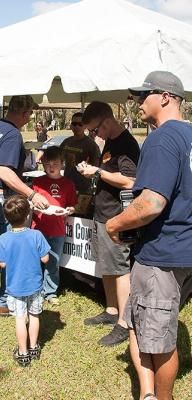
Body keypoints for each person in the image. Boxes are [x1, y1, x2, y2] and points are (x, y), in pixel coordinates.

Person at [106, 71, 192, 400]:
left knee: (158, 339)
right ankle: (147, 393)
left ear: (166, 97)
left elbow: (152, 202)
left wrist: (115, 225)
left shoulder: (161, 137)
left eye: (144, 96)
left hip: (161, 253)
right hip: (184, 249)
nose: (138, 102)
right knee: (137, 321)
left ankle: (161, 397)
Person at [0, 95, 49, 316]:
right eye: (30, 114)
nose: (29, 119)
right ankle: (5, 302)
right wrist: (31, 194)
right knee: (11, 247)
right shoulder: (12, 134)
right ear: (24, 113)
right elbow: (5, 172)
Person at [77, 101, 140, 347]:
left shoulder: (126, 144)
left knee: (120, 268)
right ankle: (112, 309)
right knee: (107, 266)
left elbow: (131, 182)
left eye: (95, 130)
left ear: (107, 121)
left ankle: (124, 323)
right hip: (103, 213)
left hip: (117, 217)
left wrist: (97, 172)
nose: (94, 136)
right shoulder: (111, 143)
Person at [0, 195, 50, 366]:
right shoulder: (37, 235)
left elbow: (3, 264)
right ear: (28, 215)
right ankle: (34, 347)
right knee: (34, 316)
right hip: (35, 285)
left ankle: (23, 352)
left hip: (15, 287)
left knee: (20, 319)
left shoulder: (4, 238)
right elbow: (45, 259)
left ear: (6, 217)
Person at [32, 146, 77, 304]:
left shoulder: (68, 184)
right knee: (36, 260)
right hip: (38, 228)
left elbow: (72, 205)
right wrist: (33, 206)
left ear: (62, 164)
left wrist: (70, 209)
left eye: (55, 164)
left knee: (54, 261)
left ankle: (50, 292)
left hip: (58, 229)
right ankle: (35, 289)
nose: (51, 168)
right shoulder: (38, 182)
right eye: (48, 164)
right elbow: (30, 201)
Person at [58, 112, 101, 194]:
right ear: (71, 125)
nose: (76, 126)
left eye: (80, 124)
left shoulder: (91, 145)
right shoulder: (66, 142)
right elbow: (58, 158)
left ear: (85, 126)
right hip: (67, 184)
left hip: (84, 187)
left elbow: (97, 166)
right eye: (74, 124)